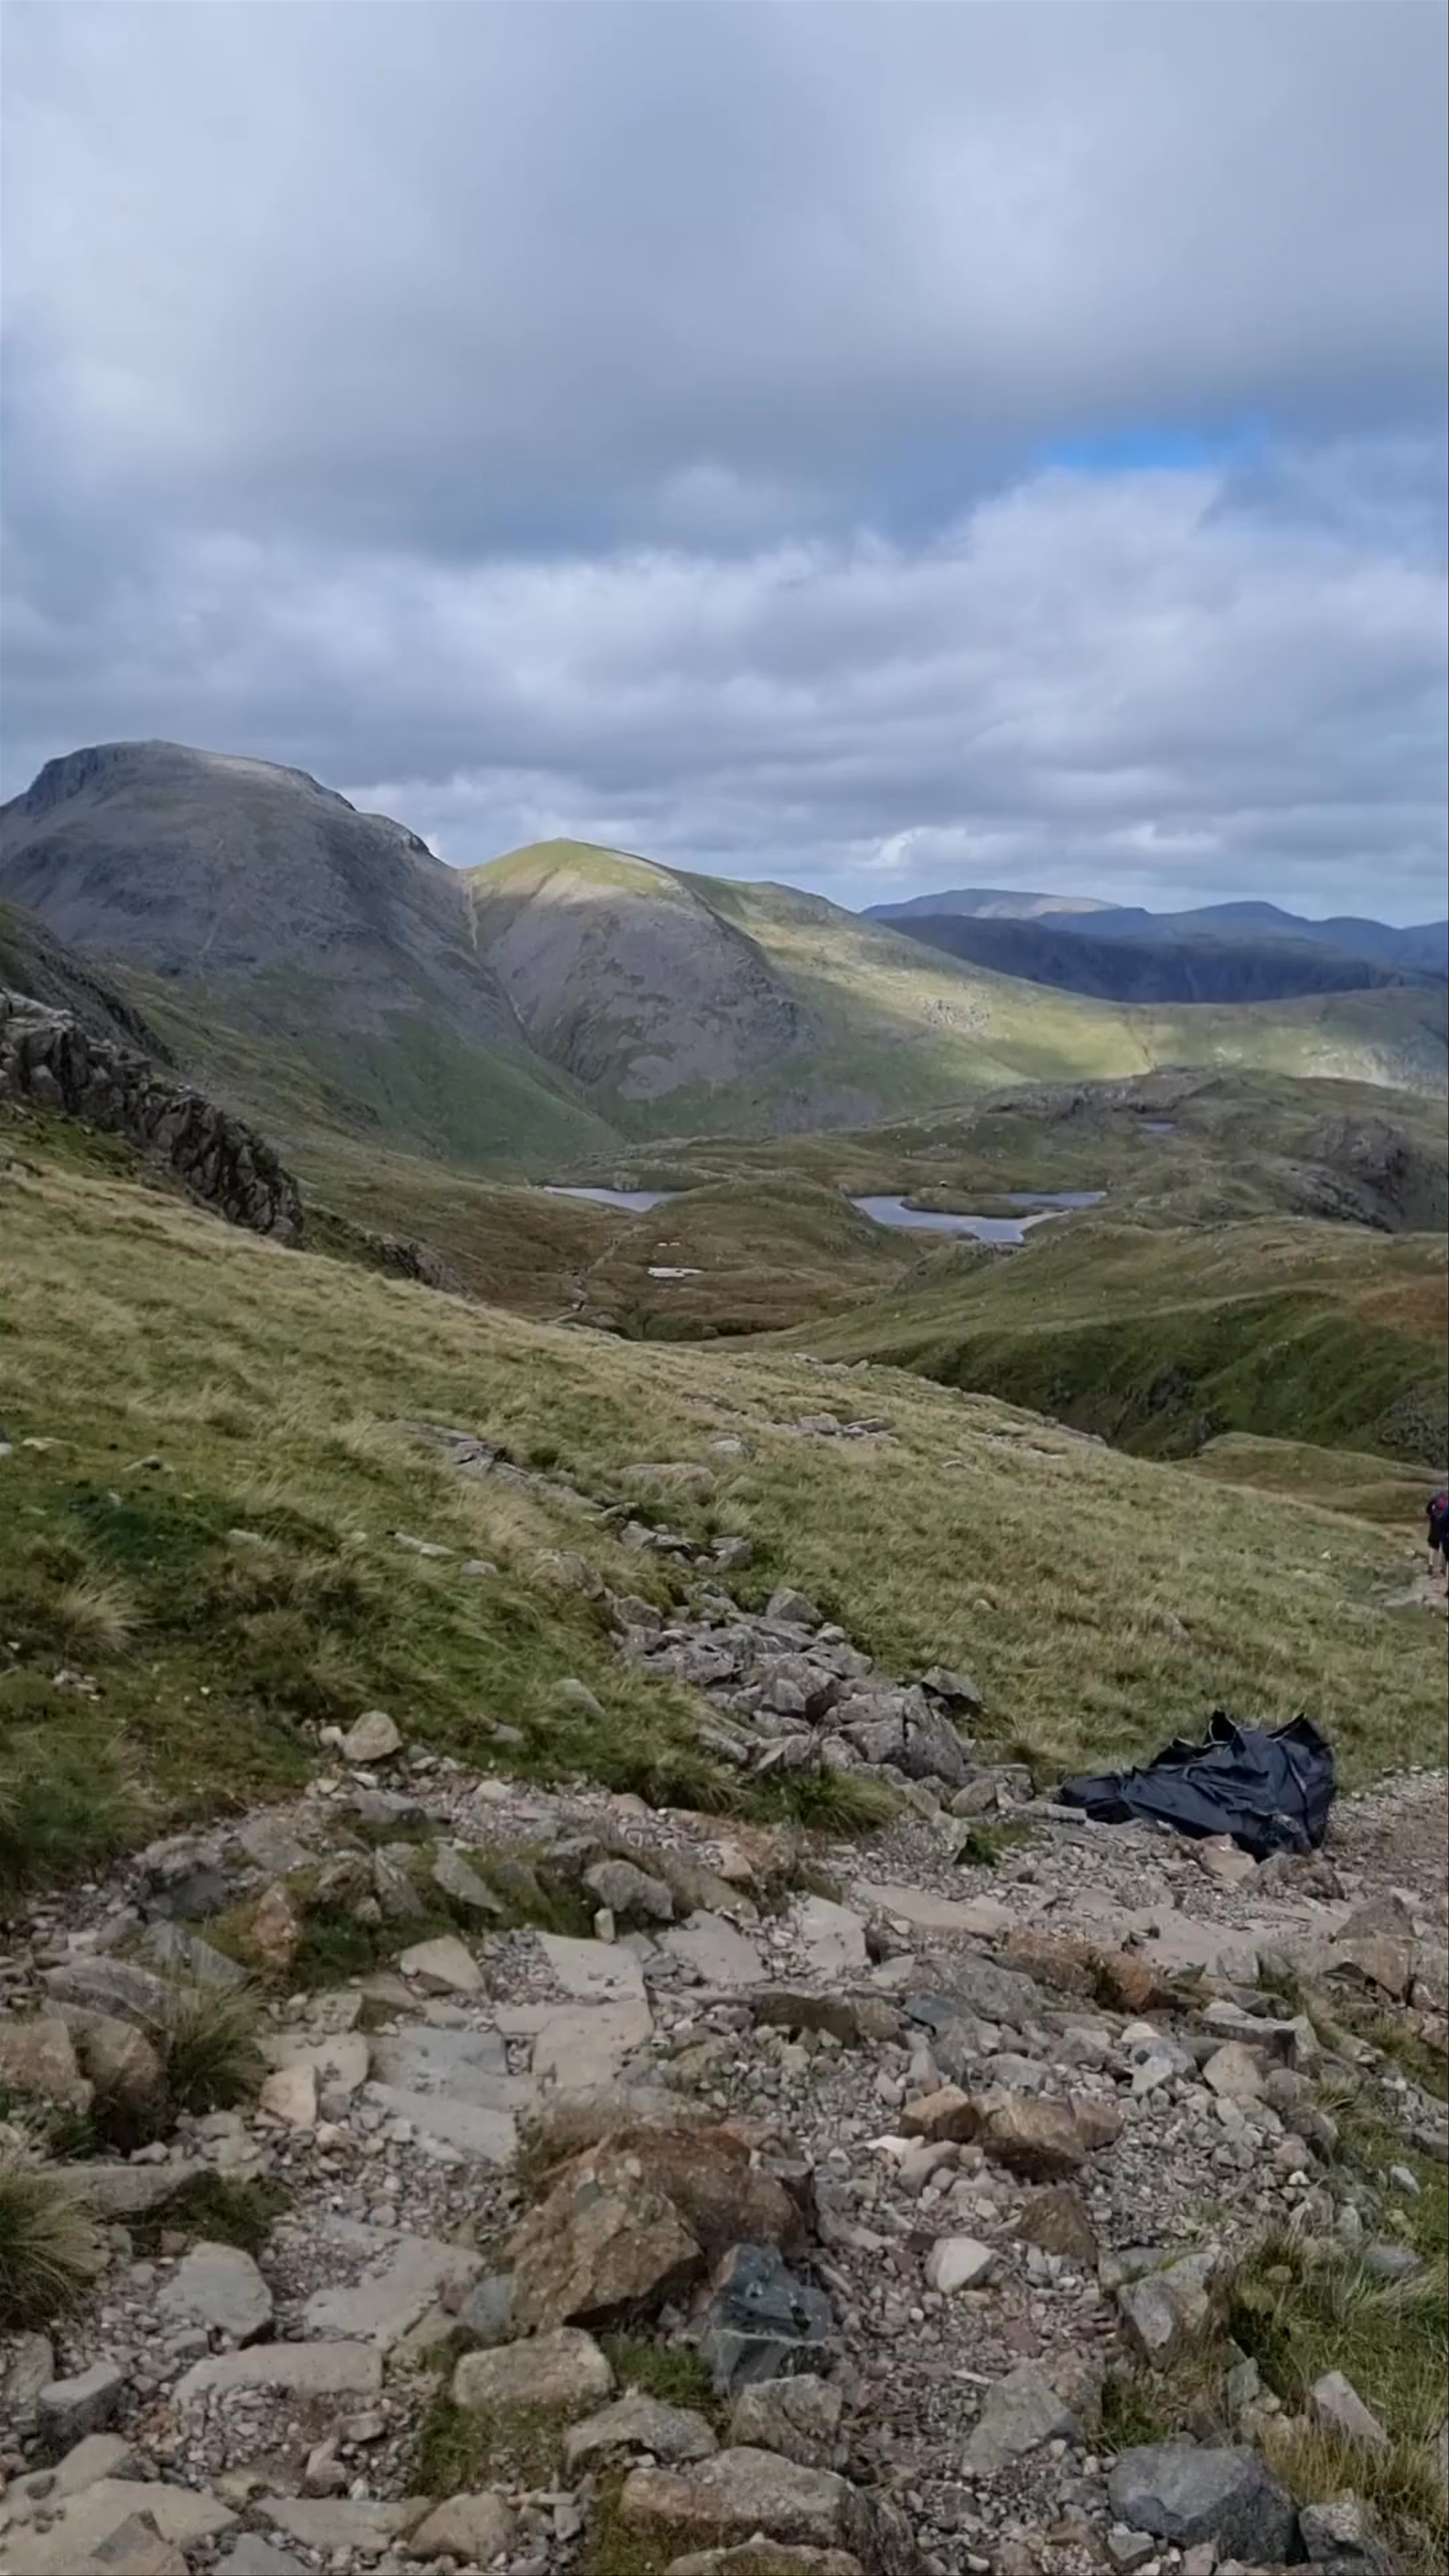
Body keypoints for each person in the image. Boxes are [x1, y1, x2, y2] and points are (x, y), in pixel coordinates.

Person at [1427, 1489, 1449, 1594]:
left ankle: (1432, 1564)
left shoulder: (1435, 1497)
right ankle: (1443, 1569)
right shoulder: (1447, 1501)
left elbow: (1428, 1509)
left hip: (1436, 1523)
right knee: (1442, 1548)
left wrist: (1431, 1517)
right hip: (1443, 1528)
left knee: (1433, 1546)